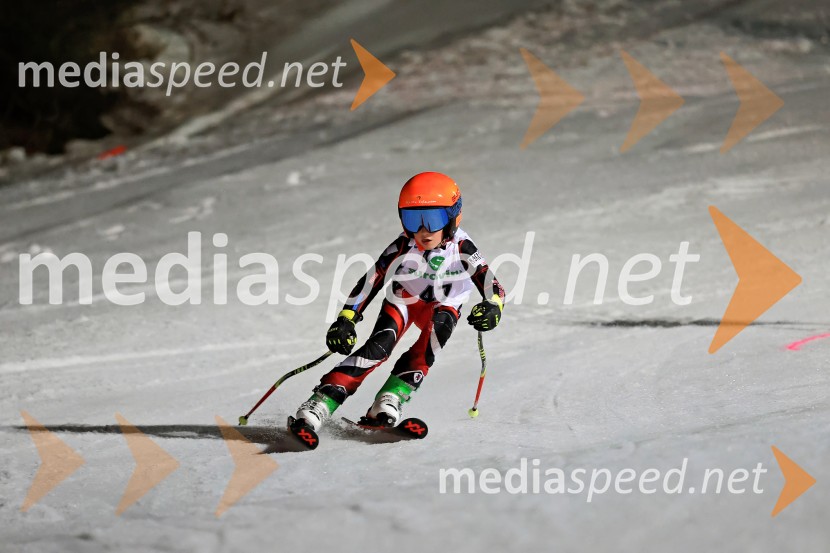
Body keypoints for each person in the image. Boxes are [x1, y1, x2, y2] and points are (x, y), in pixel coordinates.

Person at [291, 171, 505, 432]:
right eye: (413, 219)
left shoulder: (463, 248)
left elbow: (492, 284)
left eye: (433, 218)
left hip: (445, 304)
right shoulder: (404, 244)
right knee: (379, 347)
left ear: (452, 217)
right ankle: (321, 402)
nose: (423, 230)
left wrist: (493, 306)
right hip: (404, 299)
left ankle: (390, 398)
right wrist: (346, 319)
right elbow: (373, 278)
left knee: (428, 345)